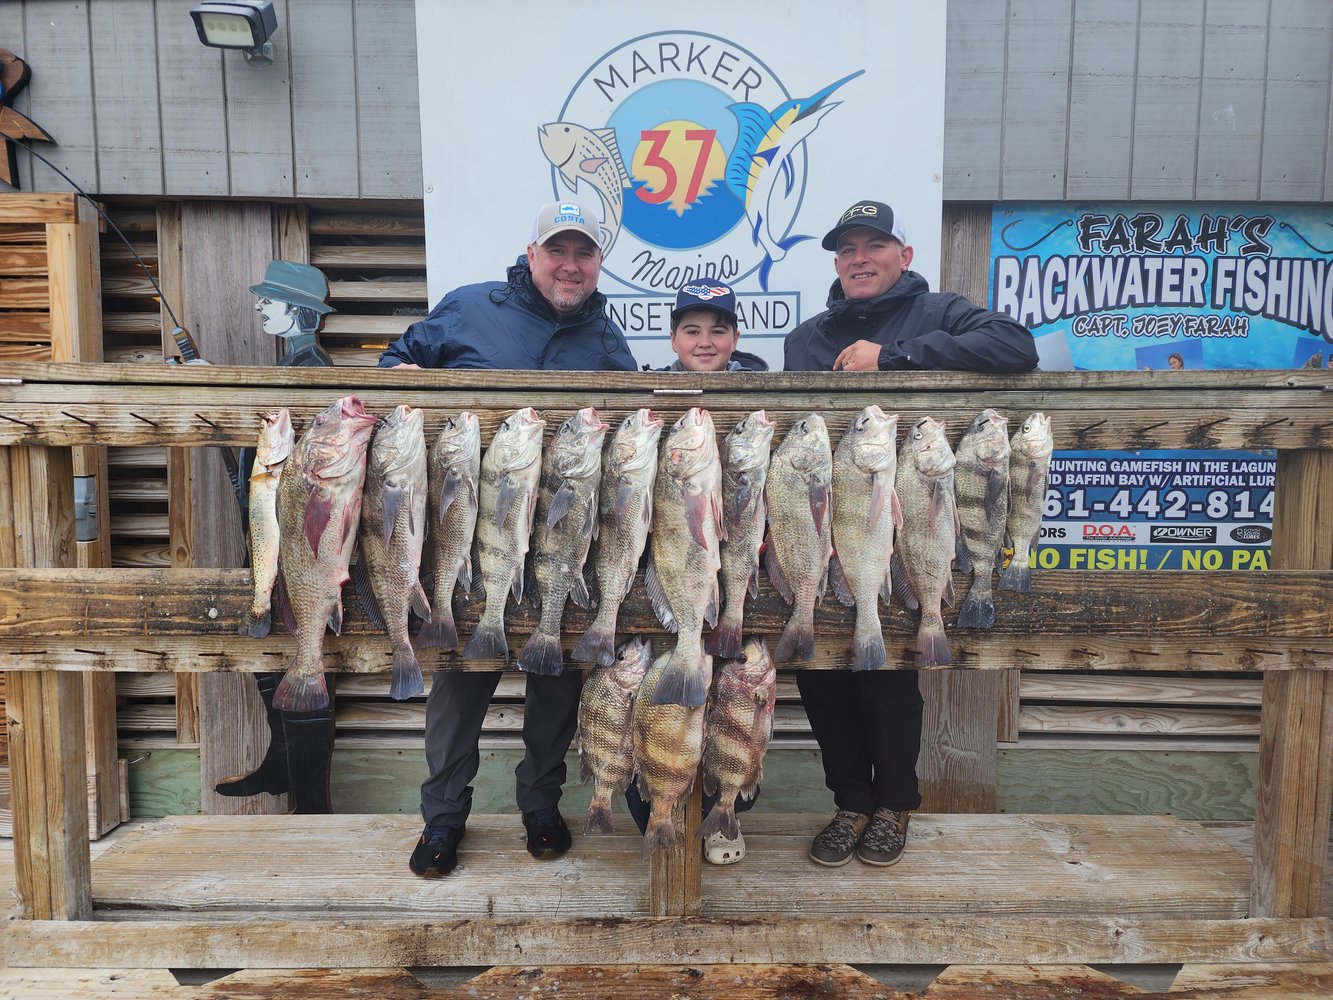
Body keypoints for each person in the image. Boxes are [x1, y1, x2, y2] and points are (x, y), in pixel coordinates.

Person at [380, 201, 637, 878]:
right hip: (468, 535)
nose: (570, 266)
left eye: (584, 254)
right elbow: (396, 362)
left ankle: (540, 807)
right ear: (531, 254)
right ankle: (442, 821)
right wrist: (398, 375)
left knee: (554, 684)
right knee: (460, 684)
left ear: (598, 264)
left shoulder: (607, 343)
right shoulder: (468, 308)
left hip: (559, 541)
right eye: (558, 251)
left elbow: (633, 433)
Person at [784, 200, 1037, 868]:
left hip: (913, 533)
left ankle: (893, 804)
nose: (859, 260)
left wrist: (892, 356)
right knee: (821, 674)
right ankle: (848, 802)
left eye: (873, 246)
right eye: (846, 250)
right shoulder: (806, 339)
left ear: (905, 255)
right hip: (822, 529)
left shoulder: (940, 313)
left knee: (890, 677)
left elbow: (1016, 349)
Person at [625, 278, 765, 866]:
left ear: (736, 336)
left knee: (735, 704)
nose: (705, 341)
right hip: (672, 568)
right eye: (691, 329)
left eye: (718, 329)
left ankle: (724, 814)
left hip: (734, 566)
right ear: (672, 335)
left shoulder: (761, 396)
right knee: (652, 703)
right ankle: (652, 814)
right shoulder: (652, 403)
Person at [215, 260, 338, 814]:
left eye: (272, 300)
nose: (261, 308)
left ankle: (310, 797)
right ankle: (279, 765)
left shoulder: (312, 374)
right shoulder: (283, 370)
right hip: (272, 536)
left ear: (301, 311)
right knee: (271, 650)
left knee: (303, 653)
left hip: (299, 543)